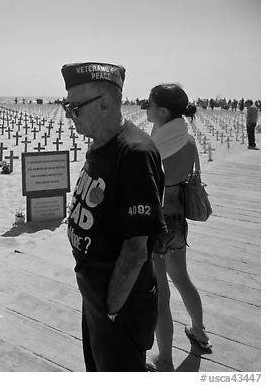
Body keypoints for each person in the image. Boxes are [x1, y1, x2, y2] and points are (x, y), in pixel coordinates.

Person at [60, 62, 166, 371]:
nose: (70, 114)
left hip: (119, 298)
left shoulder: (135, 153)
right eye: (67, 106)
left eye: (75, 107)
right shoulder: (99, 141)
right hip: (95, 291)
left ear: (105, 103)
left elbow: (135, 250)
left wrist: (111, 310)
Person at [146, 83, 212, 372]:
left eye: (149, 103)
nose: (145, 107)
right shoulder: (188, 140)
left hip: (154, 221)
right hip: (177, 220)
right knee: (182, 278)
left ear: (162, 110)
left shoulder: (153, 145)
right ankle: (199, 332)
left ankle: (165, 361)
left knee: (161, 292)